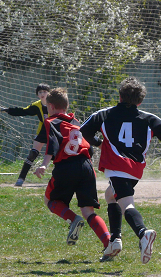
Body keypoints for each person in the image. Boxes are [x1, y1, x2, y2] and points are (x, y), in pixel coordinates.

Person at [80, 76, 161, 264]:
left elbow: (84, 131)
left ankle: (143, 233)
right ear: (140, 101)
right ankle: (115, 241)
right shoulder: (149, 118)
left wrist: (99, 143)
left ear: (120, 96)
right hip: (135, 169)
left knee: (126, 205)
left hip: (117, 167)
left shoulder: (105, 114)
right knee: (110, 196)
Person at [33, 88, 111, 251]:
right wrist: (102, 145)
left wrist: (43, 164)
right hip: (86, 166)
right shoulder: (75, 122)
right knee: (88, 210)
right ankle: (109, 243)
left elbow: (52, 145)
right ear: (66, 107)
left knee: (51, 200)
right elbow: (89, 142)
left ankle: (73, 219)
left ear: (52, 106)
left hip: (66, 167)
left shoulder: (50, 121)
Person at [0, 83, 50, 186]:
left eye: (45, 91)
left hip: (56, 131)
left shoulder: (55, 103)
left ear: (49, 93)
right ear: (37, 95)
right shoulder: (36, 105)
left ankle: (61, 180)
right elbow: (23, 111)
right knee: (32, 154)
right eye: (40, 92)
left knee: (58, 155)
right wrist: (5, 110)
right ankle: (20, 179)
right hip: (43, 131)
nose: (42, 94)